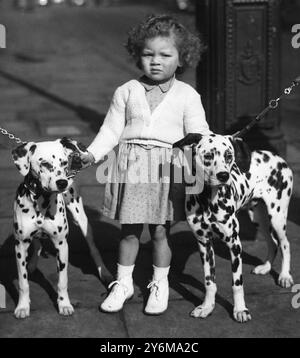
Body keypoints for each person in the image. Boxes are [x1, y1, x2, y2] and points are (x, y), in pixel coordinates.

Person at [80, 14, 211, 315]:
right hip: (132, 166)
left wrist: (204, 165)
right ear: (138, 55)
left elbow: (199, 134)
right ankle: (123, 283)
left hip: (168, 168)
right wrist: (91, 154)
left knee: (160, 232)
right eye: (148, 54)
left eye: (166, 55)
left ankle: (159, 283)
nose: (156, 61)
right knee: (128, 230)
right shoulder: (126, 91)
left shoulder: (187, 95)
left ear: (182, 59)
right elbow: (111, 130)